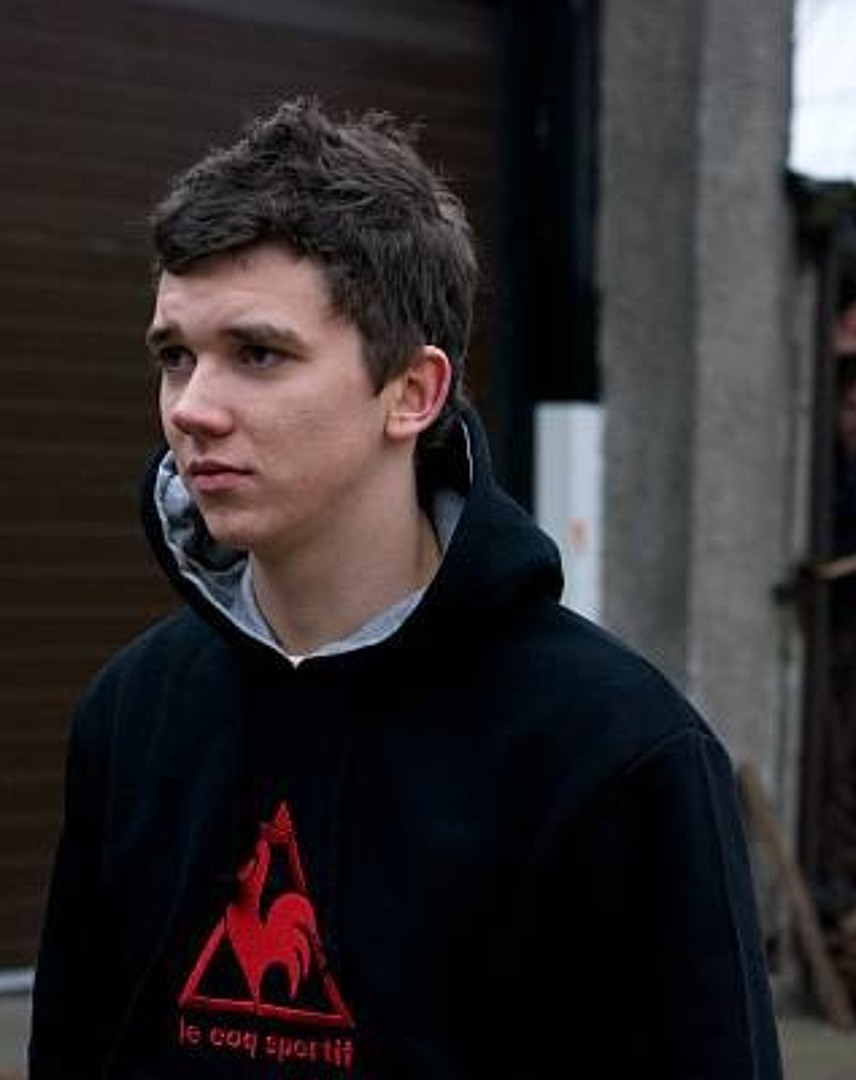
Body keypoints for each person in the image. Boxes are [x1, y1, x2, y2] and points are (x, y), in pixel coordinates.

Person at [30, 98, 781, 1079]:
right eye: (176, 356)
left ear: (413, 393)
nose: (192, 408)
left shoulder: (617, 753)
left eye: (258, 354)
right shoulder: (133, 717)